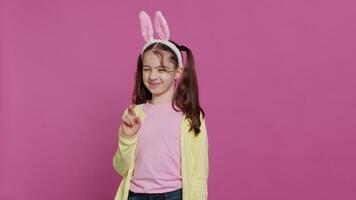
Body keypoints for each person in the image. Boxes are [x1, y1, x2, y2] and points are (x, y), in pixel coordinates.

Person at [113, 10, 209, 200]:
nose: (153, 76)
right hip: (134, 195)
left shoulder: (190, 117)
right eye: (147, 69)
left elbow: (199, 172)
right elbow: (120, 167)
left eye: (162, 69)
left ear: (177, 71)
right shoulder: (134, 114)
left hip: (173, 195)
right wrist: (127, 138)